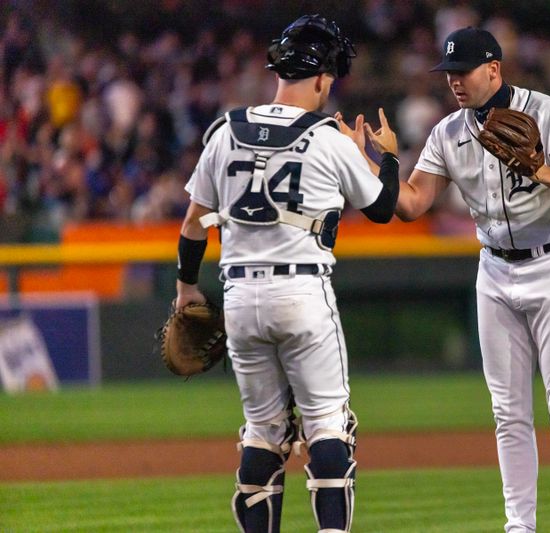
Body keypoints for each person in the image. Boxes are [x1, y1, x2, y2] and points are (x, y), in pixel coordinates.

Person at [173, 14, 399, 533]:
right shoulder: (325, 136)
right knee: (328, 428)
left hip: (240, 299)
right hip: (301, 291)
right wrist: (384, 158)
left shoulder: (225, 131)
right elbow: (384, 209)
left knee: (262, 432)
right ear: (322, 78)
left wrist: (186, 287)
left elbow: (195, 223)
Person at [397, 27, 550, 532]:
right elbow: (411, 204)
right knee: (508, 412)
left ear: (494, 68)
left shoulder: (549, 113)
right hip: (494, 268)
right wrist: (375, 162)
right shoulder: (447, 133)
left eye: (463, 71)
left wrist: (543, 172)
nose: (454, 83)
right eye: (448, 74)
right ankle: (520, 527)